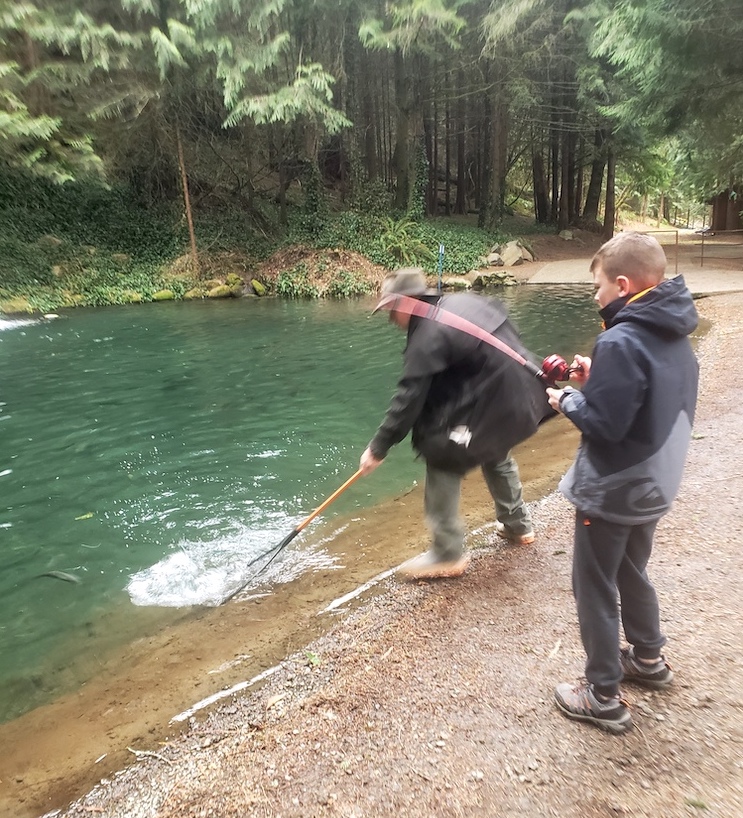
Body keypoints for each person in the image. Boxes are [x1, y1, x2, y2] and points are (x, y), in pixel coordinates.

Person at [545, 231, 699, 734]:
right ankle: (648, 660)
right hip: (654, 485)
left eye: (598, 286)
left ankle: (603, 694)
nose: (595, 296)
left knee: (593, 583)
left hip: (612, 490)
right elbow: (641, 402)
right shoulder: (675, 334)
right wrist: (597, 381)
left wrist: (567, 400)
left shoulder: (618, 339)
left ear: (624, 284)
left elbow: (605, 427)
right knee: (633, 569)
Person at [360, 267, 554, 580]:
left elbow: (409, 400)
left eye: (392, 309)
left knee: (441, 453)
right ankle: (519, 526)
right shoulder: (463, 303)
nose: (390, 319)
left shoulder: (427, 336)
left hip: (496, 400)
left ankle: (447, 553)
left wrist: (377, 448)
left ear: (408, 302)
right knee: (492, 446)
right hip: (520, 393)